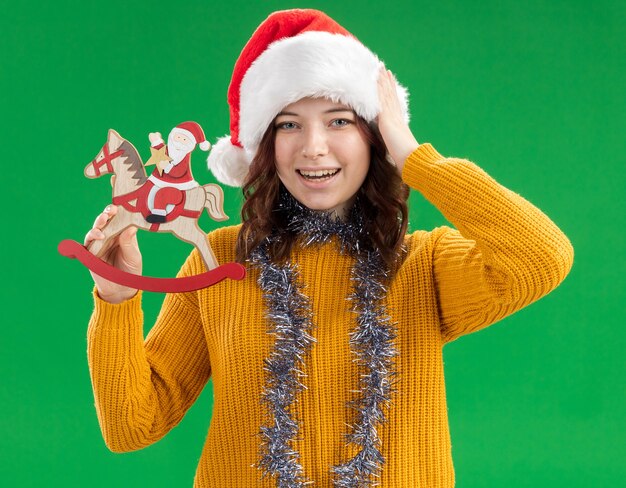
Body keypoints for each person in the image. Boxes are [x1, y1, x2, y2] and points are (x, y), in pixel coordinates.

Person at [84, 9, 574, 487]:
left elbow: (540, 256)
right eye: (288, 124)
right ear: (263, 146)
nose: (313, 147)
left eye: (339, 121)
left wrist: (413, 157)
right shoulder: (219, 259)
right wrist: (117, 297)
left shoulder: (422, 264)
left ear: (373, 135)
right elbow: (132, 427)